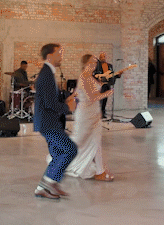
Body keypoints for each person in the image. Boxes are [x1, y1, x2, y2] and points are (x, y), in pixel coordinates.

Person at [33, 43, 77, 200]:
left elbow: (51, 99)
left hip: (49, 121)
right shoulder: (46, 74)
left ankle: (47, 186)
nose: (62, 56)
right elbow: (50, 104)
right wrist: (68, 107)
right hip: (47, 122)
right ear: (50, 56)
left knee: (58, 153)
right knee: (70, 149)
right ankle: (48, 184)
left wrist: (66, 99)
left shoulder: (49, 73)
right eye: (59, 53)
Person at [64, 54, 115, 181]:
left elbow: (80, 92)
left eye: (95, 62)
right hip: (85, 114)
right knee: (79, 142)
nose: (94, 64)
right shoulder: (83, 77)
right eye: (92, 62)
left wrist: (102, 82)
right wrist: (107, 93)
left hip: (93, 113)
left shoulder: (90, 77)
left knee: (95, 142)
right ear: (85, 63)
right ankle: (61, 161)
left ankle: (100, 171)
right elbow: (92, 97)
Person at [93, 52, 118, 119]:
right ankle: (98, 113)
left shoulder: (110, 66)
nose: (103, 58)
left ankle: (103, 112)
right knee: (100, 99)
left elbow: (112, 75)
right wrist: (98, 78)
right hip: (100, 85)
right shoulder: (97, 66)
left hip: (107, 84)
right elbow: (94, 74)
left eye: (104, 56)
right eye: (101, 57)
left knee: (105, 99)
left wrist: (118, 75)